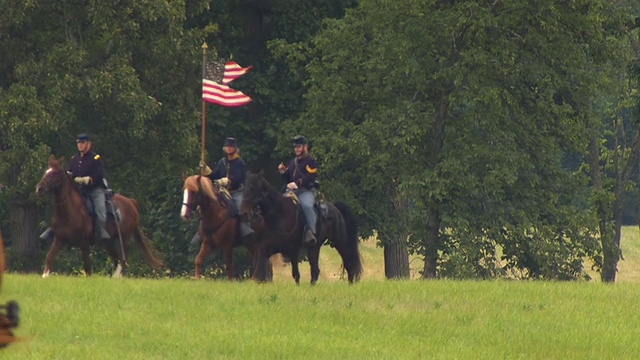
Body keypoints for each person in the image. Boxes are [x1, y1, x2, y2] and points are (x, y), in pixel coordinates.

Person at [40, 133, 110, 242]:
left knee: (100, 210)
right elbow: (71, 172)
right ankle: (54, 228)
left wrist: (88, 179)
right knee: (62, 206)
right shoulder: (75, 158)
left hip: (94, 190)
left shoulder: (95, 158)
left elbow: (99, 173)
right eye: (79, 143)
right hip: (80, 190)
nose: (80, 145)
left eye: (83, 143)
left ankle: (101, 231)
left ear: (89, 144)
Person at [191, 137, 253, 246]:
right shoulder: (222, 162)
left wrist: (227, 180)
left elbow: (239, 178)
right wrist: (206, 169)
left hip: (235, 191)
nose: (229, 148)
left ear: (235, 148)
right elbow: (215, 175)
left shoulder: (240, 163)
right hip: (222, 191)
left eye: (231, 146)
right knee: (203, 207)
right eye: (227, 146)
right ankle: (201, 232)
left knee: (239, 208)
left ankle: (244, 228)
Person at [278, 135, 319, 245]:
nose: (296, 149)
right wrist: (283, 172)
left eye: (299, 146)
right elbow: (288, 178)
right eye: (295, 147)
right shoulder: (293, 162)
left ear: (305, 147)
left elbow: (310, 176)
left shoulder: (311, 161)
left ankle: (311, 231)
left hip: (307, 191)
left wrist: (297, 183)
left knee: (307, 206)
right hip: (293, 192)